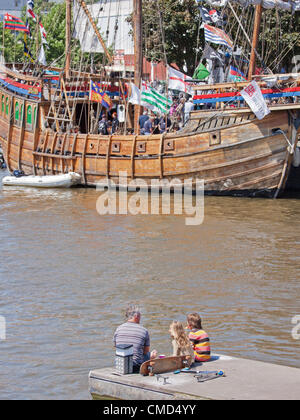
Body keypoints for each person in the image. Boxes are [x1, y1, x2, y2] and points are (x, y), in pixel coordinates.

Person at [113, 305, 157, 372]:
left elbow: (116, 347)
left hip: (120, 365)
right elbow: (145, 351)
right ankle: (152, 357)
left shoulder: (118, 329)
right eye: (140, 316)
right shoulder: (144, 331)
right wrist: (151, 356)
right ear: (136, 316)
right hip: (136, 367)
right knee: (149, 354)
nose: (140, 318)